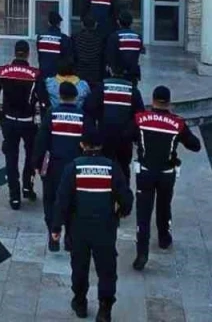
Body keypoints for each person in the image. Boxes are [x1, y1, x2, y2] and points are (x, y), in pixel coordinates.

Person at [51, 127, 133, 321]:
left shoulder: (73, 168)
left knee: (79, 267)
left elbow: (62, 201)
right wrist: (121, 212)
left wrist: (56, 228)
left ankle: (80, 303)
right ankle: (105, 308)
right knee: (106, 269)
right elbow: (126, 199)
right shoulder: (112, 168)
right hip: (105, 228)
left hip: (78, 228)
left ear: (82, 144)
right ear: (101, 145)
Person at [131, 85, 202, 271]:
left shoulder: (140, 119)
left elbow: (127, 135)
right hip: (166, 173)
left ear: (152, 100)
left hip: (145, 172)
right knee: (164, 206)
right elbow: (195, 145)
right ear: (169, 103)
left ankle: (142, 252)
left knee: (143, 213)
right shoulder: (177, 123)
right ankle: (164, 238)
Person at [0, 40, 43, 210]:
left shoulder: (2, 71)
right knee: (31, 155)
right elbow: (43, 100)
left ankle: (14, 197)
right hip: (28, 122)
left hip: (9, 121)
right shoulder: (35, 74)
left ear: (15, 52)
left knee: (11, 159)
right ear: (28, 54)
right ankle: (27, 186)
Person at [34, 80, 86, 251]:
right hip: (74, 167)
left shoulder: (52, 114)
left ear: (60, 96)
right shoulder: (82, 116)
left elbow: (41, 141)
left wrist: (36, 163)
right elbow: (89, 140)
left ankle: (53, 236)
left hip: (53, 166)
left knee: (50, 200)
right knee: (73, 201)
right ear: (75, 97)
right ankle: (70, 238)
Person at [84, 70, 144, 189]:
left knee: (105, 167)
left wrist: (94, 132)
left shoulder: (102, 87)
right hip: (125, 140)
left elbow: (88, 110)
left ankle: (105, 192)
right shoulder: (133, 90)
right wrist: (131, 134)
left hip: (105, 137)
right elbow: (140, 117)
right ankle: (123, 194)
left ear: (111, 70)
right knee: (123, 169)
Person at [72, 12, 108, 91]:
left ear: (82, 24)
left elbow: (73, 57)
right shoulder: (101, 39)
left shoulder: (75, 38)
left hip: (79, 74)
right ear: (95, 25)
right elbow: (104, 58)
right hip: (95, 75)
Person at [105, 9, 145, 81]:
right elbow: (140, 51)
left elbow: (110, 56)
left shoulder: (114, 36)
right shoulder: (138, 37)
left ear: (118, 22)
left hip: (118, 74)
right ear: (131, 22)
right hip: (133, 74)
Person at [36, 10, 73, 78]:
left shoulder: (40, 37)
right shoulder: (64, 39)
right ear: (59, 24)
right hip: (58, 77)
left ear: (48, 22)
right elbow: (67, 59)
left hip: (43, 75)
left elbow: (40, 57)